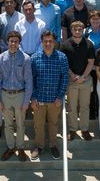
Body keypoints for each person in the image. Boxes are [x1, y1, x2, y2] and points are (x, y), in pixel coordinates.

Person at [30, 31, 69, 160]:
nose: (48, 43)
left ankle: (53, 145)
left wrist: (60, 96)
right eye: (45, 41)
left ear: (54, 42)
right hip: (39, 99)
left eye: (50, 41)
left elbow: (64, 78)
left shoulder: (62, 57)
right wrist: (33, 98)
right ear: (41, 42)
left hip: (54, 99)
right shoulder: (34, 58)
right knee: (39, 124)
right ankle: (39, 146)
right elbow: (31, 80)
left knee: (53, 123)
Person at [0, 31, 32, 162]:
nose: (13, 43)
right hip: (5, 95)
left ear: (19, 43)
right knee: (8, 124)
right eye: (11, 41)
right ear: (7, 42)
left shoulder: (26, 59)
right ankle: (11, 147)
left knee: (21, 124)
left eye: (16, 41)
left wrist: (27, 101)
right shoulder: (1, 58)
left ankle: (20, 148)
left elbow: (29, 81)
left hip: (20, 95)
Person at [60, 21, 95, 141]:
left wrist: (83, 77)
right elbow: (64, 64)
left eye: (80, 29)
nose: (78, 31)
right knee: (72, 107)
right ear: (71, 30)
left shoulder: (89, 44)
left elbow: (91, 63)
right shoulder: (65, 45)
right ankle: (73, 129)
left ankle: (85, 129)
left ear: (83, 30)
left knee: (85, 106)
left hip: (85, 79)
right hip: (71, 80)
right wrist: (73, 76)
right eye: (75, 29)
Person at [84, 11, 100, 120]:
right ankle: (92, 112)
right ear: (89, 20)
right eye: (93, 19)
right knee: (91, 91)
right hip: (90, 67)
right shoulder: (85, 33)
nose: (95, 21)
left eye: (97, 18)